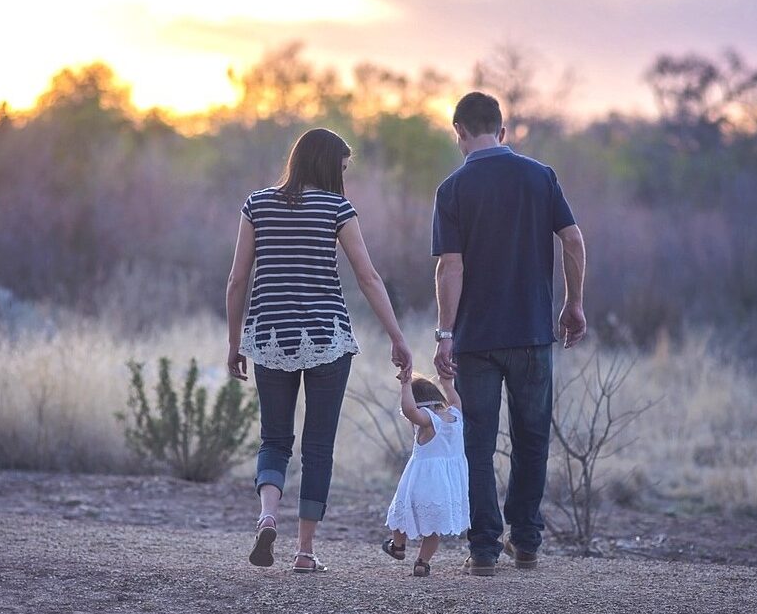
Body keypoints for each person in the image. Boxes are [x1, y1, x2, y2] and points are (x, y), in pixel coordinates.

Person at [226, 128, 413, 573]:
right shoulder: (337, 208)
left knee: (274, 438)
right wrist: (397, 336)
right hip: (328, 338)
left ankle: (268, 515)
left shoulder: (257, 204)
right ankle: (305, 551)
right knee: (318, 446)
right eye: (343, 167)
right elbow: (367, 277)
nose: (344, 176)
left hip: (270, 337)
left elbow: (237, 281)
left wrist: (235, 343)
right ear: (329, 166)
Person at [431, 92, 587, 576]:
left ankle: (482, 550)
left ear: (458, 131)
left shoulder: (452, 188)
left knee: (477, 443)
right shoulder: (541, 177)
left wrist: (444, 333)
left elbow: (449, 268)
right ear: (502, 130)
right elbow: (573, 239)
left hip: (476, 340)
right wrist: (574, 302)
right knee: (532, 438)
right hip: (533, 334)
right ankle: (526, 542)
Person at [382, 373, 470, 577]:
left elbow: (409, 410)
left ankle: (398, 546)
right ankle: (422, 562)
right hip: (447, 485)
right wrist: (447, 383)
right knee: (434, 526)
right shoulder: (456, 415)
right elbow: (455, 399)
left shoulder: (428, 420)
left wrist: (405, 386)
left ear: (421, 404)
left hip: (422, 481)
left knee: (401, 512)